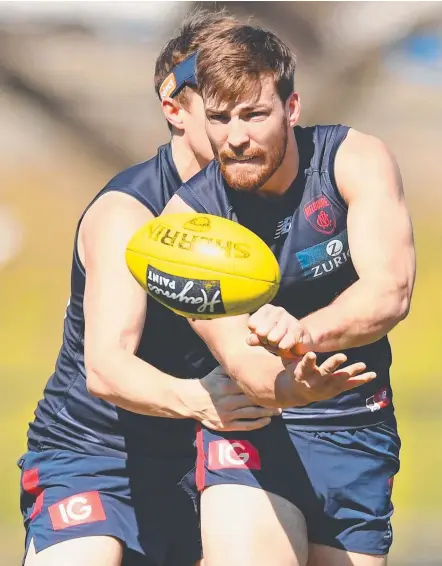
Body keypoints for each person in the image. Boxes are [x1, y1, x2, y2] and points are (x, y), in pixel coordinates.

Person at [17, 11, 371, 566]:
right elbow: (107, 367)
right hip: (99, 456)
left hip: (217, 444)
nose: (239, 129)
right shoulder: (130, 214)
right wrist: (197, 401)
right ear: (177, 110)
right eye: (216, 105)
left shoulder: (265, 195)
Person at [160, 23, 416, 566]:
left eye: (254, 115)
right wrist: (289, 384)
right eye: (220, 118)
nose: (235, 137)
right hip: (256, 430)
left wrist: (305, 334)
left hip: (356, 431)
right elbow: (242, 361)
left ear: (291, 108)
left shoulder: (352, 160)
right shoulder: (185, 224)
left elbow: (390, 291)